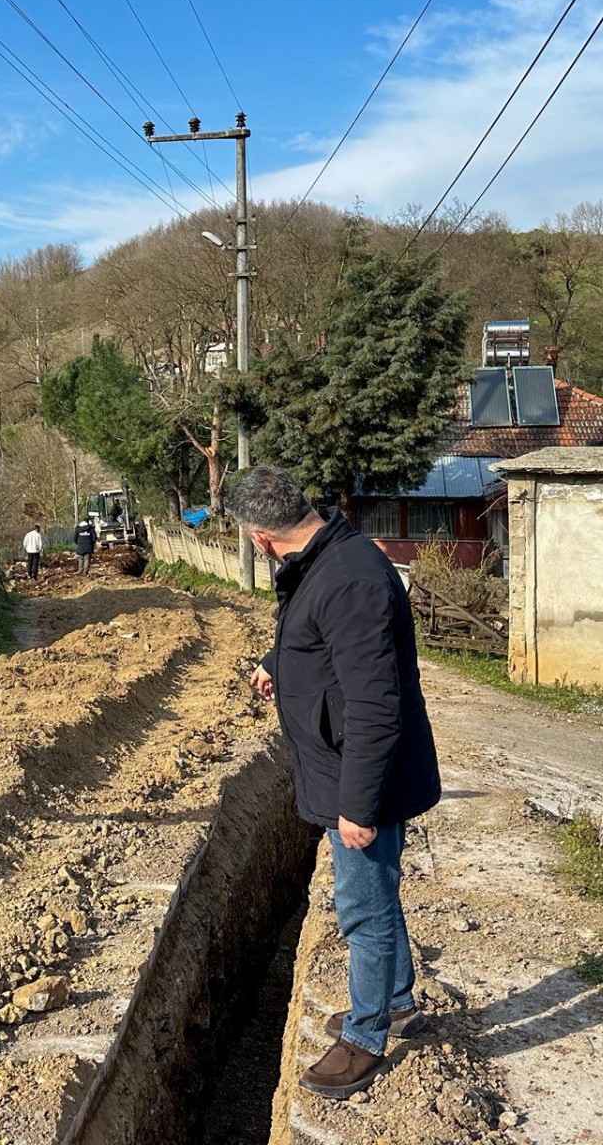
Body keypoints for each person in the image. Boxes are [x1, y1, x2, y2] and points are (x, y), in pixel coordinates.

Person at [227, 464, 441, 1101]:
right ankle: (396, 1002)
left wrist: (358, 807)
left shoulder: (348, 579)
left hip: (361, 778)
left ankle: (366, 1038)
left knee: (362, 911)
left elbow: (375, 705)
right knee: (376, 897)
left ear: (261, 538)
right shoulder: (326, 557)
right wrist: (278, 662)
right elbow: (317, 635)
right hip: (341, 767)